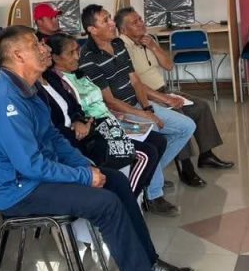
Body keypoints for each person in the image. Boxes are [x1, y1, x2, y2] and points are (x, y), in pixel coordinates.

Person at [0, 26, 193, 271]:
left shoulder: (29, 89)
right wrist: (82, 176)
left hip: (36, 176)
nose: (45, 49)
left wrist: (85, 165)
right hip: (18, 190)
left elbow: (53, 137)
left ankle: (149, 262)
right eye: (36, 45)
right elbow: (30, 165)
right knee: (105, 204)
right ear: (18, 55)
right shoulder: (6, 101)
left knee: (115, 181)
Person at [79, 4, 196, 216]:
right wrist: (145, 116)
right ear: (92, 30)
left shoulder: (117, 44)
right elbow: (110, 101)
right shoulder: (88, 58)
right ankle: (154, 196)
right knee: (154, 133)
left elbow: (135, 81)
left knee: (186, 126)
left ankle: (148, 175)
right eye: (105, 21)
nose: (112, 23)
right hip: (118, 114)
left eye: (110, 18)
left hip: (137, 105)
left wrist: (148, 107)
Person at [116, 7, 234, 177]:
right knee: (180, 114)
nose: (141, 23)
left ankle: (206, 155)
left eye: (140, 19)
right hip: (147, 96)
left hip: (164, 90)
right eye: (135, 22)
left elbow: (169, 66)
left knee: (201, 106)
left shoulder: (147, 40)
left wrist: (154, 46)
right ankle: (185, 166)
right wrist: (164, 99)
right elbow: (135, 84)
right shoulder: (122, 48)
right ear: (123, 30)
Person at [42, 33, 163, 197]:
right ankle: (130, 197)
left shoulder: (80, 73)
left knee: (158, 140)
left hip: (111, 119)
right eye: (71, 53)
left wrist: (114, 113)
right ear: (56, 57)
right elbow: (78, 111)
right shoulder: (60, 81)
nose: (77, 56)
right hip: (98, 127)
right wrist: (85, 120)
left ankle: (143, 188)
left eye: (77, 50)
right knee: (148, 154)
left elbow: (98, 101)